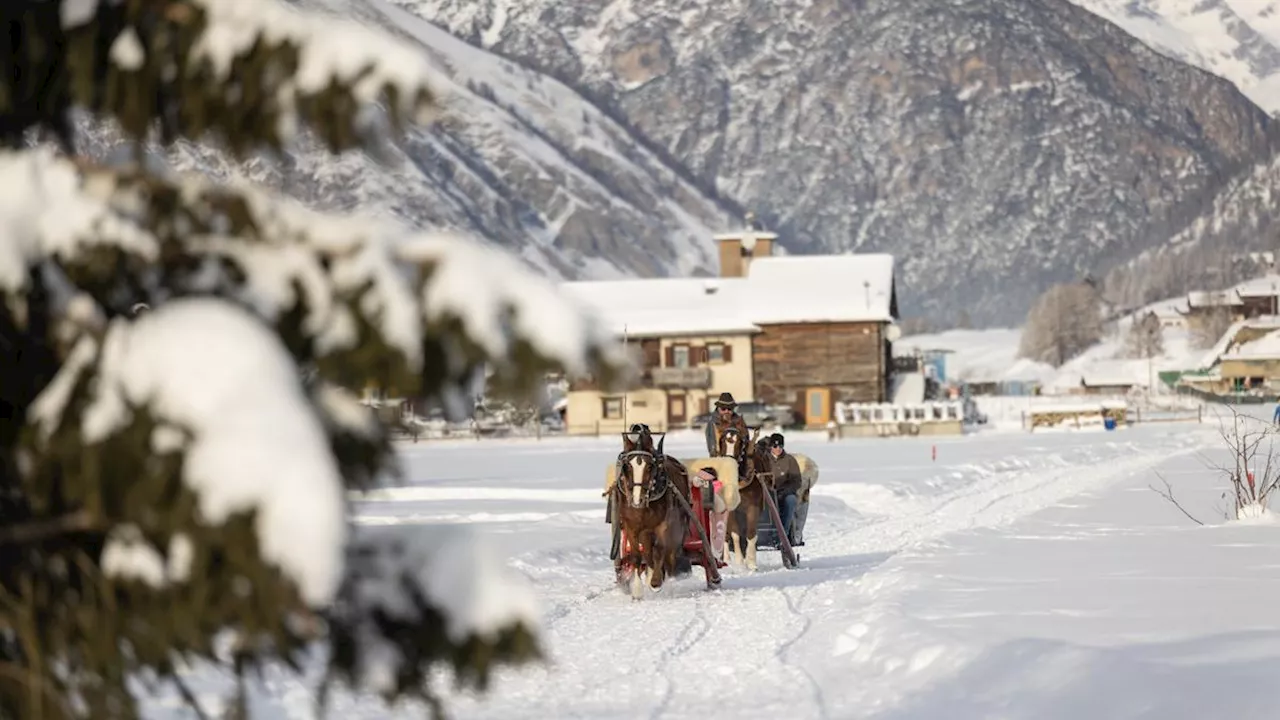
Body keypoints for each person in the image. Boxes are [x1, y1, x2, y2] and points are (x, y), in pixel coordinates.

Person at [766, 432, 803, 546]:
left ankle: (783, 534)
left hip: (784, 493)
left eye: (780, 446)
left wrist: (785, 491)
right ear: (770, 446)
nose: (777, 449)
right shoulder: (764, 459)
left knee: (791, 500)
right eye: (775, 446)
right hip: (767, 493)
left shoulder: (789, 460)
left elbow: (796, 480)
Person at [705, 392, 749, 456]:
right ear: (718, 408)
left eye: (729, 409)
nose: (726, 411)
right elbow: (711, 444)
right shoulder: (713, 423)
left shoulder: (739, 421)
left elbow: (746, 440)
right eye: (723, 409)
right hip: (719, 458)